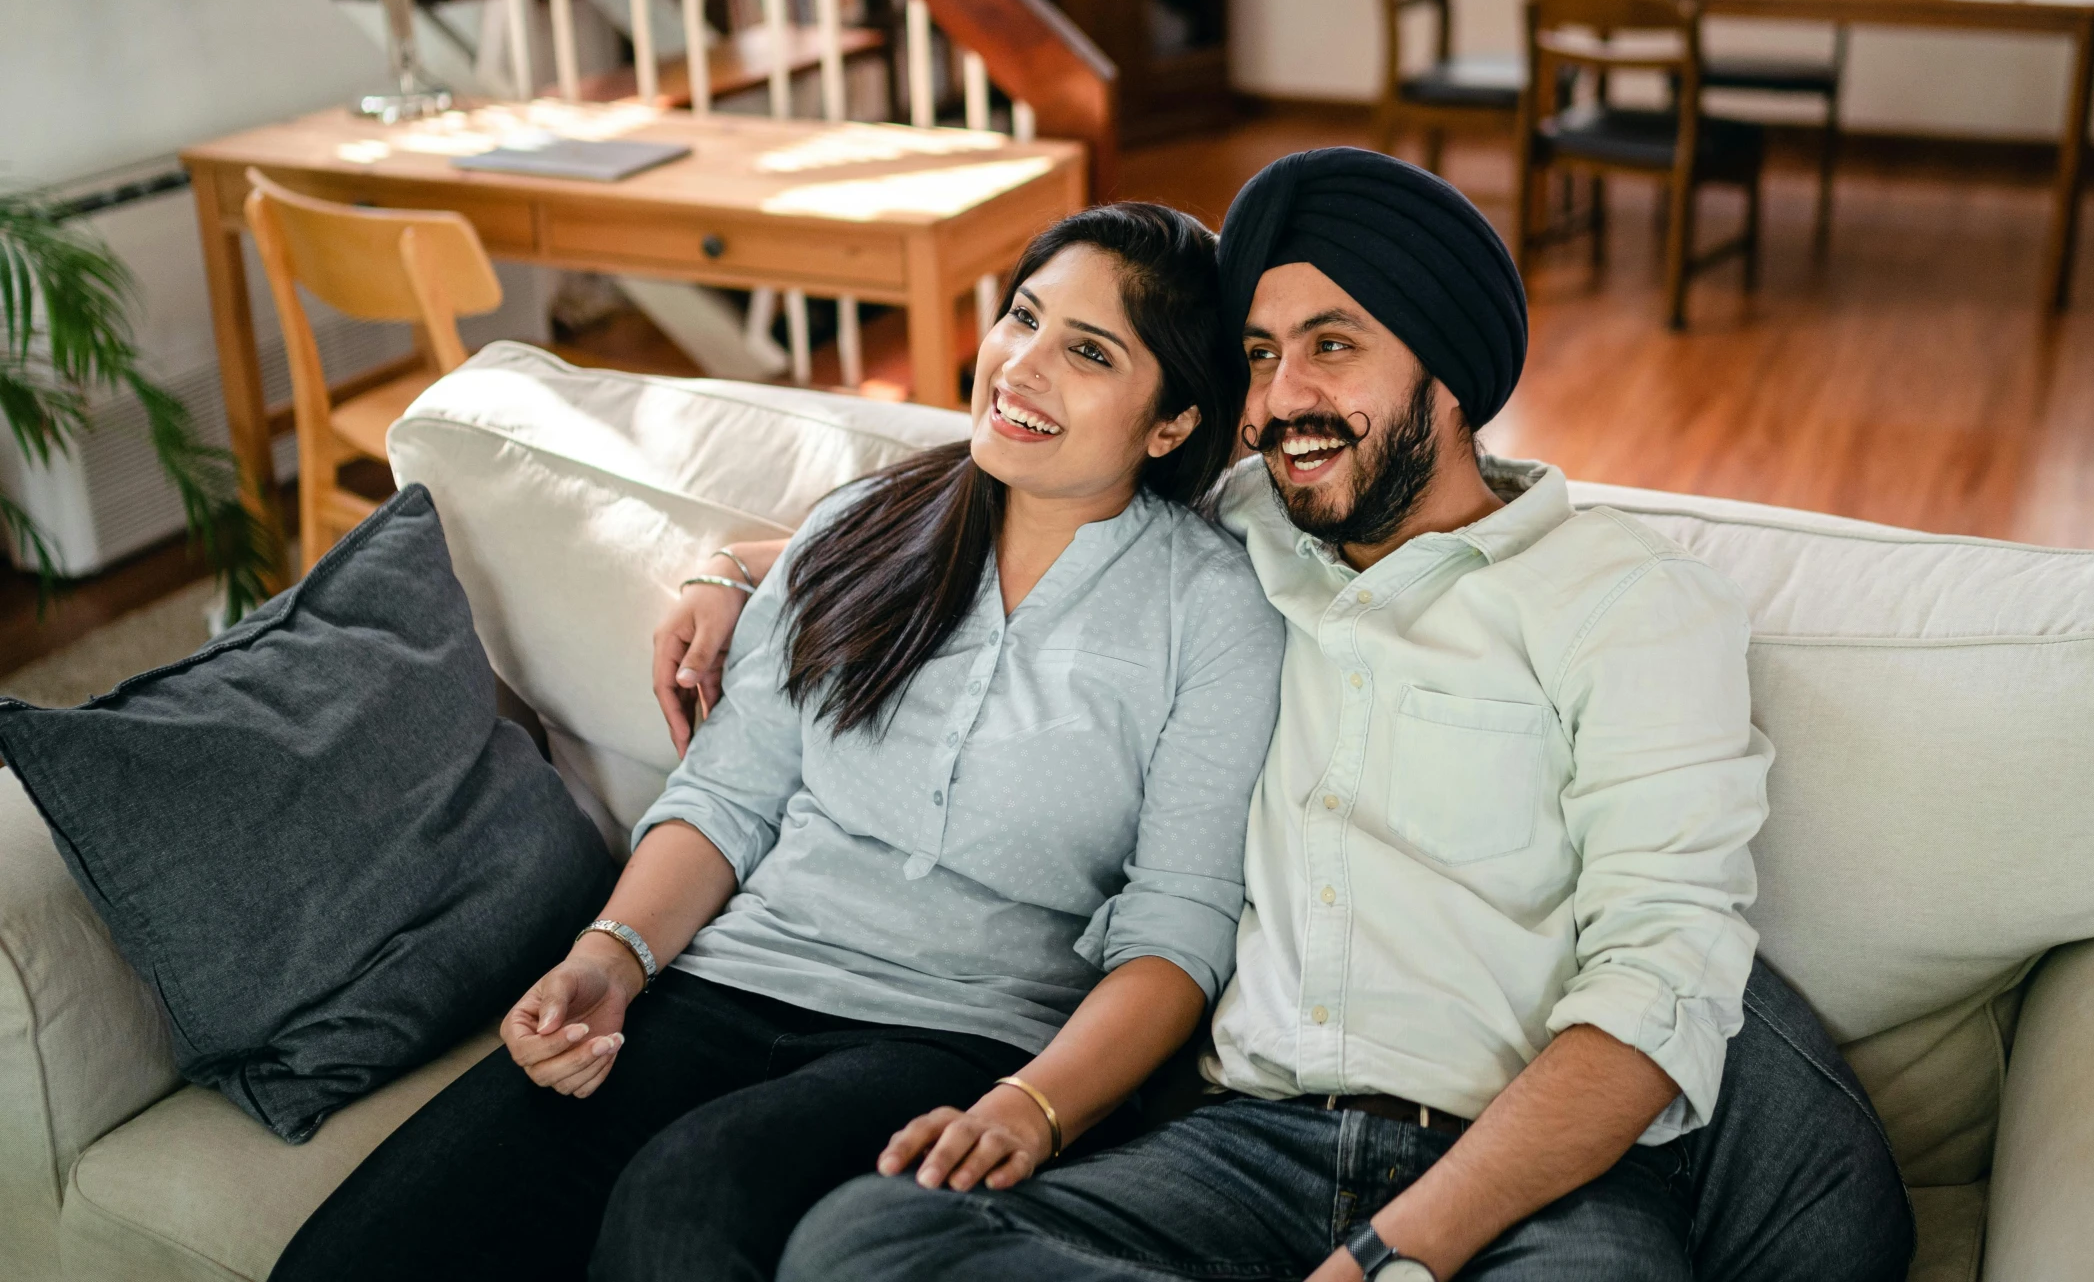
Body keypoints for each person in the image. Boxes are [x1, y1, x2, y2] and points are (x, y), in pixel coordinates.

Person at [778, 148, 1915, 1282]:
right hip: (1242, 1146)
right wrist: (746, 574)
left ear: (1452, 372)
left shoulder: (1627, 602)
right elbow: (1029, 492)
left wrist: (1394, 1255)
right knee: (862, 1240)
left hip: (1527, 1187)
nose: (1279, 402)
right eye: (1262, 356)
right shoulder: (1240, 535)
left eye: (1333, 345)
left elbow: (1658, 984)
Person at [269, 202, 1287, 1282]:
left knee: (681, 1211)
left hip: (960, 1042)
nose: (1022, 367)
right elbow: (727, 797)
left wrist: (1033, 1106)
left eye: (1088, 352)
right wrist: (607, 959)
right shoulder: (862, 532)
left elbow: (1178, 933)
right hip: (720, 982)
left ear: (1171, 422)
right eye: (1022, 318)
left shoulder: (1213, 613)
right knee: (355, 1253)